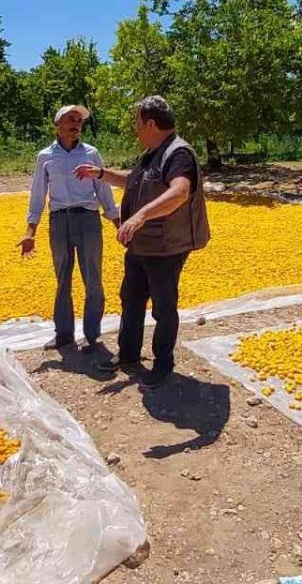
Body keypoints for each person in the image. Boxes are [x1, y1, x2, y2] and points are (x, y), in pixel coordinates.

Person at [73, 95, 210, 389]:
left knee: (163, 306)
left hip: (165, 245)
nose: (135, 129)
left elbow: (180, 191)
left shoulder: (178, 153)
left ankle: (163, 364)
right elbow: (134, 180)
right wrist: (100, 174)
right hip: (142, 244)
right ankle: (129, 355)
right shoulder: (152, 153)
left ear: (150, 123)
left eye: (137, 123)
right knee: (131, 299)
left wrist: (139, 217)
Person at [20, 104, 121, 353]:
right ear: (58, 125)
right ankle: (64, 334)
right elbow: (38, 194)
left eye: (79, 120)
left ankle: (92, 336)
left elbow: (103, 189)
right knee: (62, 279)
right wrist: (30, 232)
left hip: (88, 219)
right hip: (59, 221)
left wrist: (118, 222)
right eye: (71, 119)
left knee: (93, 279)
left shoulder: (91, 153)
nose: (76, 124)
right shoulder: (45, 156)